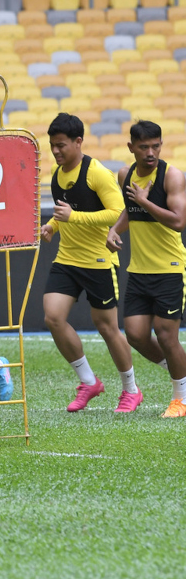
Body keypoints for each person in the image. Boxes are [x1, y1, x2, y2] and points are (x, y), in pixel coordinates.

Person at [41, 113, 134, 413]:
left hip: (98, 262)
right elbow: (63, 212)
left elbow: (118, 212)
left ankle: (131, 390)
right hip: (67, 260)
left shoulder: (97, 173)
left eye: (61, 145)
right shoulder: (57, 174)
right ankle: (88, 381)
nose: (56, 151)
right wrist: (52, 228)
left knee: (107, 327)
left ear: (78, 142)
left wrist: (74, 218)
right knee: (53, 318)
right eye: (53, 145)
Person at [106, 121, 186, 415]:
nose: (151, 152)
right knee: (136, 336)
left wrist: (145, 200)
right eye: (144, 147)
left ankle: (181, 399)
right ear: (131, 148)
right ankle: (181, 369)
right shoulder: (125, 174)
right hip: (139, 270)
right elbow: (132, 209)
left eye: (156, 145)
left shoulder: (172, 176)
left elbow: (178, 220)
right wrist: (115, 229)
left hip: (170, 267)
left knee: (166, 335)